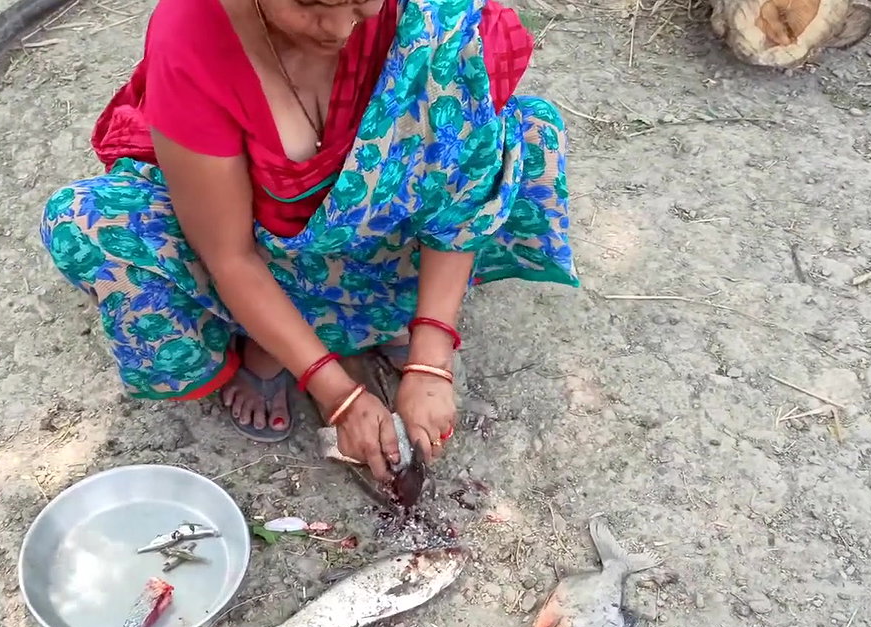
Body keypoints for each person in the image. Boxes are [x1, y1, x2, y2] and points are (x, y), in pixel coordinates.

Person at [39, 0, 577, 483]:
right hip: (261, 248)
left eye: (362, 1)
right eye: (311, 3)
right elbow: (229, 255)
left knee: (526, 135)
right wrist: (336, 393)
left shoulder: (435, 16)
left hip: (380, 238)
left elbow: (458, 199)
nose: (340, 28)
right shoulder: (193, 33)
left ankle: (377, 320)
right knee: (89, 226)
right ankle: (296, 335)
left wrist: (432, 360)